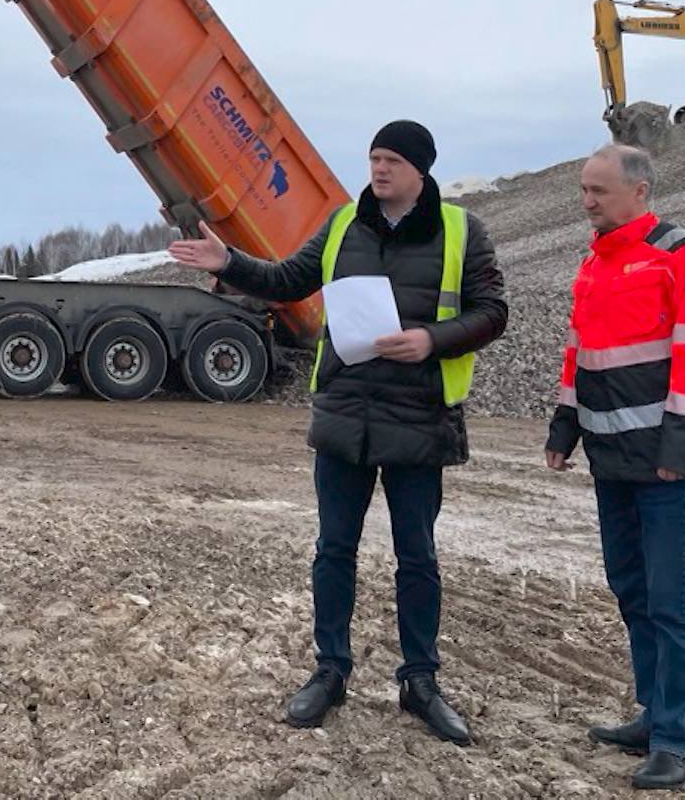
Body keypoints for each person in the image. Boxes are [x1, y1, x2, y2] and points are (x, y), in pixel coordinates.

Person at [170, 119, 508, 745]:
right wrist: (231, 263)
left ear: (421, 170)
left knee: (418, 558)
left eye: (392, 161)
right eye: (374, 158)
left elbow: (493, 313)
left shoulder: (464, 230)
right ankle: (330, 671)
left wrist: (431, 340)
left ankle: (421, 682)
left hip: (418, 416)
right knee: (333, 551)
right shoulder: (343, 222)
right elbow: (290, 280)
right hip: (346, 413)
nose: (378, 170)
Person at [544, 143, 685, 791]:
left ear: (640, 192)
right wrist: (563, 429)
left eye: (597, 190)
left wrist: (678, 452)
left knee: (674, 605)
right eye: (583, 189)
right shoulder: (594, 264)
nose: (586, 201)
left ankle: (677, 740)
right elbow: (579, 353)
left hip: (665, 468)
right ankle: (653, 716)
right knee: (633, 594)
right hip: (610, 461)